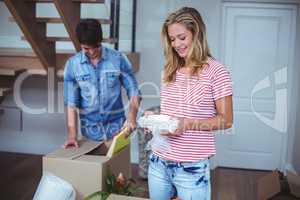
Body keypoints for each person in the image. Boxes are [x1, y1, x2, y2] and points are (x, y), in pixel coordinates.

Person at [147, 7, 233, 200]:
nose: (176, 44)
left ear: (197, 33)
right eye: (172, 39)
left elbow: (226, 120)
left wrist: (187, 124)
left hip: (191, 167)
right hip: (158, 161)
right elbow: (173, 114)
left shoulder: (216, 72)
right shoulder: (169, 69)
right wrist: (156, 121)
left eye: (182, 37)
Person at [63, 19, 141, 147]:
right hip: (89, 135)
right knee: (93, 167)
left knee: (117, 167)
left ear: (101, 41)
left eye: (96, 47)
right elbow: (71, 104)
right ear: (80, 44)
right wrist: (72, 135)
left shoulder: (118, 59)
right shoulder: (72, 65)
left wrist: (132, 116)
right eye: (86, 48)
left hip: (118, 132)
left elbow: (134, 91)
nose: (93, 52)